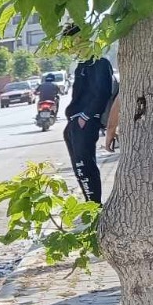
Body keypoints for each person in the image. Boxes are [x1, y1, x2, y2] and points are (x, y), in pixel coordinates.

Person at [64, 54, 119, 203]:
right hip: (74, 121)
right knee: (79, 168)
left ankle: (94, 206)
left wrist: (86, 116)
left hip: (86, 121)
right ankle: (91, 204)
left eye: (73, 41)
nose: (70, 49)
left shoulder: (101, 63)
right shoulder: (82, 65)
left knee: (85, 166)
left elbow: (103, 92)